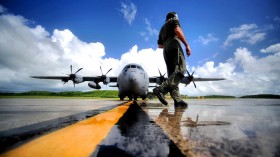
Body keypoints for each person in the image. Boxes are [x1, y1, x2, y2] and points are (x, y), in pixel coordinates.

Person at [153, 12, 191, 107]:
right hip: (174, 46)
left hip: (166, 50)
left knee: (172, 77)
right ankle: (161, 89)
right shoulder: (173, 20)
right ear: (174, 16)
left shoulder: (162, 28)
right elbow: (178, 31)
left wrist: (167, 43)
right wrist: (186, 45)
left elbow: (159, 45)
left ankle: (177, 100)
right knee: (181, 70)